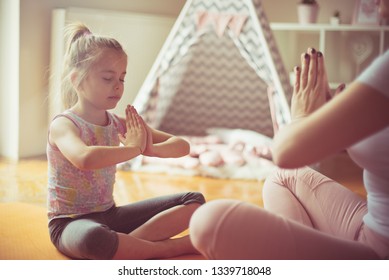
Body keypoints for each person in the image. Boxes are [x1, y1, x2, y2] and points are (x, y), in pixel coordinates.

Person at [189, 0, 389, 260]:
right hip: (372, 223)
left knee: (208, 223)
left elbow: (284, 151)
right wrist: (333, 125)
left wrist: (303, 118)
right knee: (281, 177)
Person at [47, 22, 205, 260]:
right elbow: (84, 158)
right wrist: (133, 148)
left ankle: (128, 245)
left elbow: (182, 145)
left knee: (194, 201)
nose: (118, 86)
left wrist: (150, 149)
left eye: (122, 78)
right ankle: (173, 247)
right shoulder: (64, 125)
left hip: (110, 216)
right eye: (108, 78)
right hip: (70, 224)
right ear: (77, 80)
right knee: (95, 239)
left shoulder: (119, 123)